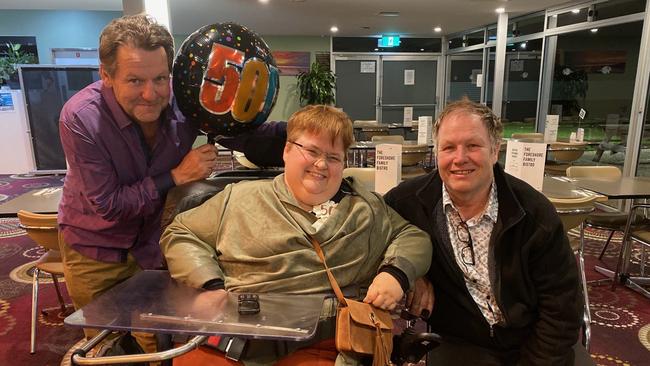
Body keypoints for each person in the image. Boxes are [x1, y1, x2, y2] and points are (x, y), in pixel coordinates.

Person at [160, 104, 432, 365]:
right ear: (287, 150)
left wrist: (395, 274)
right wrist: (209, 286)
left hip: (323, 343)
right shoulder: (238, 199)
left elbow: (412, 237)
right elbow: (181, 233)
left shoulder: (366, 209)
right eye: (311, 151)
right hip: (235, 336)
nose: (322, 164)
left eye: (333, 157)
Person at [58, 14, 218, 353]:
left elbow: (242, 129)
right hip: (94, 250)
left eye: (160, 78)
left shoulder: (182, 101)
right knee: (107, 348)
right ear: (106, 75)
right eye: (134, 81)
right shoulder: (80, 118)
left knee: (157, 342)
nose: (151, 94)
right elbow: (110, 206)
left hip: (153, 246)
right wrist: (176, 176)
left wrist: (300, 137)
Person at [384, 99, 586, 365]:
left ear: (495, 150)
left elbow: (562, 307)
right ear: (437, 153)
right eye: (448, 148)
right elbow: (369, 236)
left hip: (536, 338)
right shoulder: (408, 202)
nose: (459, 158)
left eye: (472, 146)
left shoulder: (533, 212)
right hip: (462, 339)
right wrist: (411, 272)